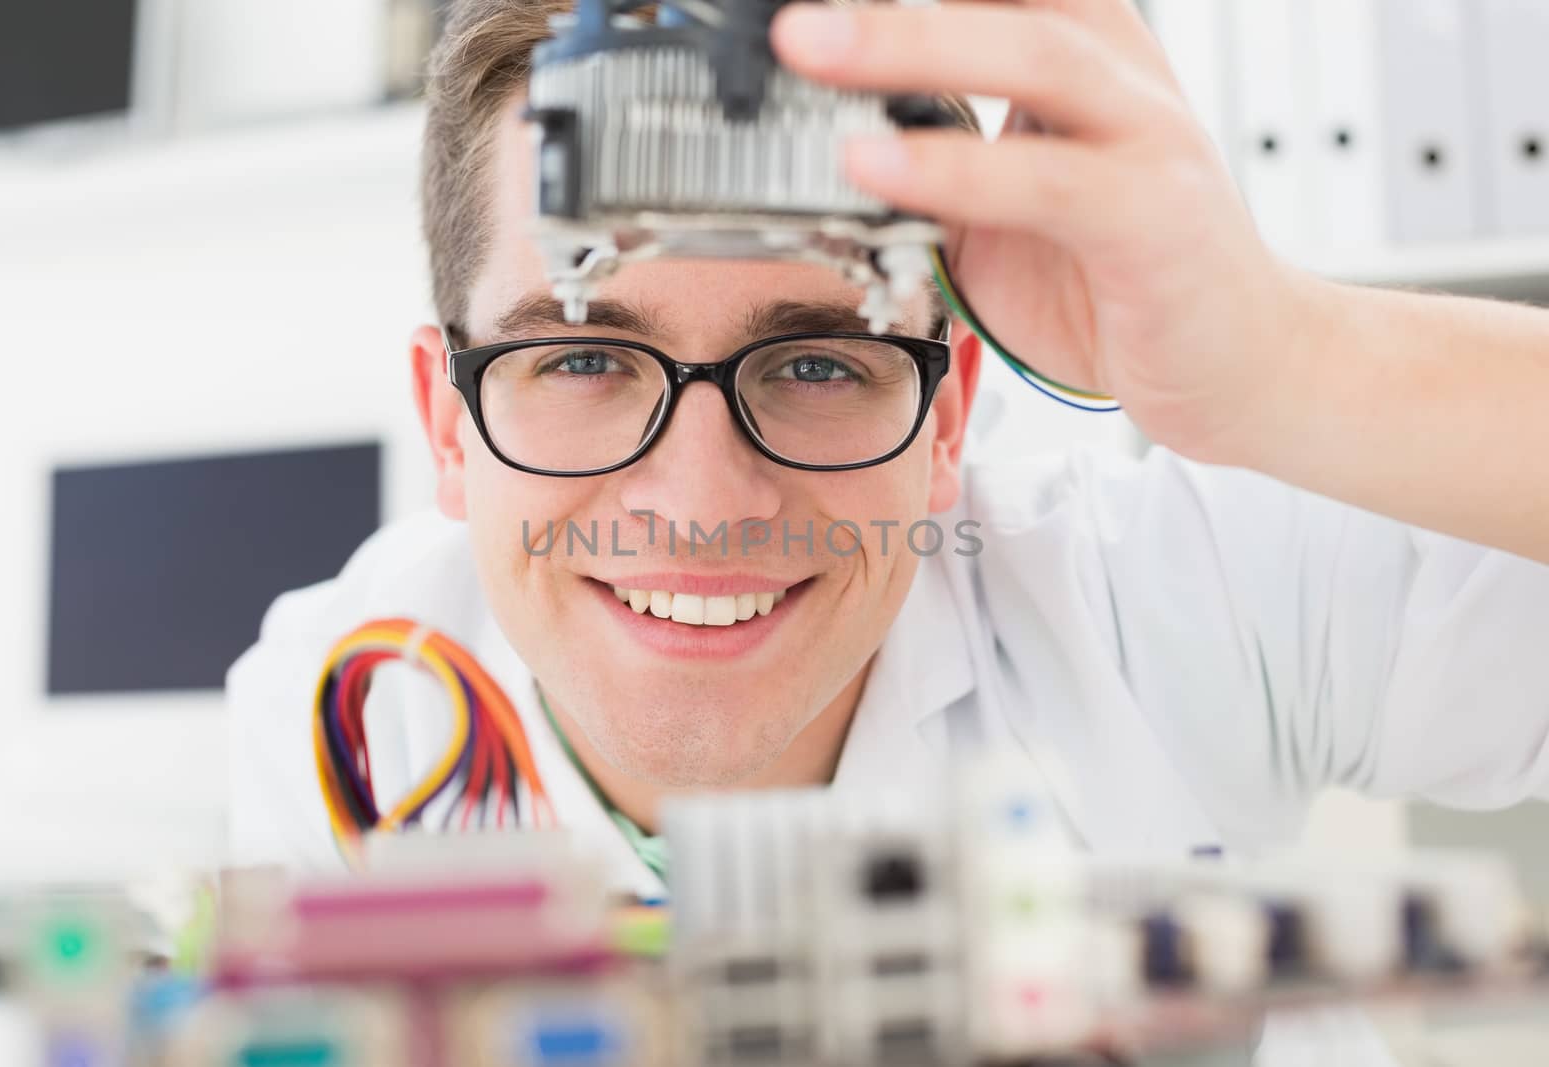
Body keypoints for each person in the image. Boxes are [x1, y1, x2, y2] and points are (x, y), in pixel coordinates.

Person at [228, 0, 1549, 906]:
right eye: (582, 359)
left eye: (816, 364)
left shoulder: (1157, 599)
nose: (700, 508)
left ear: (951, 410)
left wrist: (1282, 360)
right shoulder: (355, 715)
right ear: (450, 419)